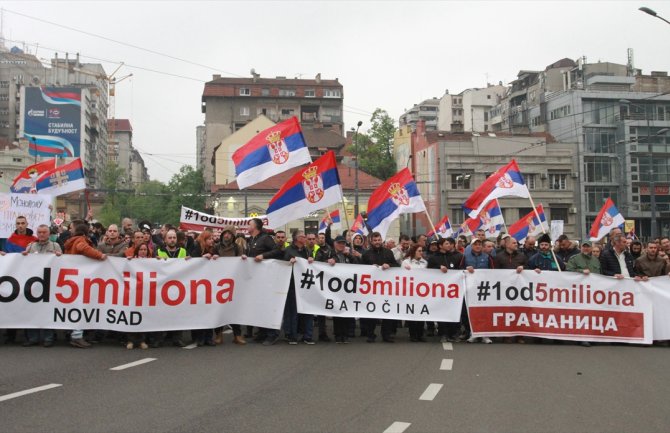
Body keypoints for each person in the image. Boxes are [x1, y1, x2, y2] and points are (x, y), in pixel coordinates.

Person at [63, 220, 107, 348]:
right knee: (80, 307)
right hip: (80, 280)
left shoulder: (72, 241)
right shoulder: (80, 241)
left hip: (73, 279)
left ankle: (73, 334)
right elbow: (82, 248)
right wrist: (100, 255)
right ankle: (77, 336)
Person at [242, 218, 283, 345]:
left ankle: (272, 334)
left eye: (249, 224)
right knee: (258, 305)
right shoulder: (251, 239)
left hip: (266, 278)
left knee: (268, 305)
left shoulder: (266, 238)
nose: (248, 226)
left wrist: (263, 256)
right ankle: (262, 332)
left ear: (255, 227)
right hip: (255, 278)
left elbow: (277, 251)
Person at [21, 224, 61, 347]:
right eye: (39, 232)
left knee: (47, 311)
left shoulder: (55, 246)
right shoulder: (31, 246)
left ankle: (48, 338)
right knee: (32, 311)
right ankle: (33, 337)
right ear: (37, 234)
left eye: (44, 232)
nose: (42, 234)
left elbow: (62, 264)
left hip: (49, 284)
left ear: (49, 234)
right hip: (33, 285)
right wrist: (23, 256)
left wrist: (60, 256)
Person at [361, 231, 399, 343]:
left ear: (382, 240)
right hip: (372, 288)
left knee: (387, 311)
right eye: (375, 240)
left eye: (379, 240)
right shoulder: (366, 254)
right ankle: (370, 335)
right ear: (371, 241)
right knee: (371, 312)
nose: (377, 242)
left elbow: (397, 265)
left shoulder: (388, 253)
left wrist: (390, 265)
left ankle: (386, 335)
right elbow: (360, 269)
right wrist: (370, 268)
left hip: (386, 288)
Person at [155, 229, 190, 347]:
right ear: (165, 240)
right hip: (162, 288)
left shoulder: (183, 251)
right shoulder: (159, 251)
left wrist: (190, 261)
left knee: (177, 314)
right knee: (161, 314)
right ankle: (158, 338)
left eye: (174, 237)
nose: (172, 240)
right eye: (169, 238)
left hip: (179, 287)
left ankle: (177, 338)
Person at [322, 235, 359, 343]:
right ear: (334, 244)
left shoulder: (347, 255)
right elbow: (319, 262)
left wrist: (350, 256)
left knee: (346, 311)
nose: (341, 245)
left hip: (347, 287)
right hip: (335, 288)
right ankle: (338, 335)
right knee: (338, 312)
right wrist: (328, 261)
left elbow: (357, 265)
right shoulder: (330, 253)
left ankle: (345, 334)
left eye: (343, 243)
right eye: (339, 243)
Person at [427, 237, 464, 343]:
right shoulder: (433, 258)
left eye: (450, 244)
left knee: (453, 311)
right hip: (440, 290)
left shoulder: (455, 256)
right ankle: (443, 333)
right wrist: (438, 268)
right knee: (442, 312)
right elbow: (428, 272)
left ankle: (454, 333)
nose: (449, 245)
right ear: (440, 246)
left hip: (453, 290)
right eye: (447, 244)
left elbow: (459, 270)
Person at [282, 230, 316, 345]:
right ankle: (292, 335)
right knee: (292, 311)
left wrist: (311, 260)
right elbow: (283, 264)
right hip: (292, 284)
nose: (306, 238)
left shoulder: (306, 250)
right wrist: (289, 261)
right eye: (303, 236)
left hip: (304, 285)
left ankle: (306, 335)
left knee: (306, 310)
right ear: (297, 238)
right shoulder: (288, 250)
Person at [214, 226, 246, 345]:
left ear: (233, 236)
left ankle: (237, 335)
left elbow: (241, 262)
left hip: (233, 282)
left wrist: (243, 259)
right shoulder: (216, 247)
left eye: (229, 234)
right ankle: (218, 334)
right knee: (219, 310)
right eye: (225, 233)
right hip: (219, 282)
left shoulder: (237, 248)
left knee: (234, 309)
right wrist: (213, 257)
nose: (227, 236)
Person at [461, 237, 494, 344]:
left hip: (484, 288)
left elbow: (494, 271)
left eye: (479, 244)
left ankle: (485, 334)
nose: (478, 246)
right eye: (476, 244)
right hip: (469, 288)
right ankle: (473, 333)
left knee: (484, 311)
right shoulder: (465, 256)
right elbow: (458, 270)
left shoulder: (487, 257)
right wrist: (466, 270)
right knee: (471, 311)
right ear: (472, 246)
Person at [189, 231, 218, 346]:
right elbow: (192, 261)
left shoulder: (214, 250)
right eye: (209, 239)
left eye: (212, 238)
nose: (212, 241)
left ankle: (208, 337)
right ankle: (198, 337)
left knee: (209, 311)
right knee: (198, 312)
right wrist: (201, 258)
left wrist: (217, 257)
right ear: (204, 240)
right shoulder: (197, 248)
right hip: (197, 285)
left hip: (209, 285)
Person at [125, 243, 150, 350]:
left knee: (143, 317)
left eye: (145, 250)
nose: (143, 251)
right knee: (132, 316)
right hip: (133, 292)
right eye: (141, 249)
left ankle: (141, 341)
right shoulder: (132, 261)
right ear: (137, 251)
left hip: (145, 293)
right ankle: (130, 340)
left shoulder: (151, 262)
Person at [401, 244, 428, 342]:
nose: (421, 253)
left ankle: (420, 334)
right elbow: (400, 276)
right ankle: (413, 334)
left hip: (421, 292)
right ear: (414, 251)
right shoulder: (406, 262)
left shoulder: (425, 263)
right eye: (419, 251)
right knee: (412, 313)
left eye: (422, 251)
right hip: (410, 291)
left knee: (421, 312)